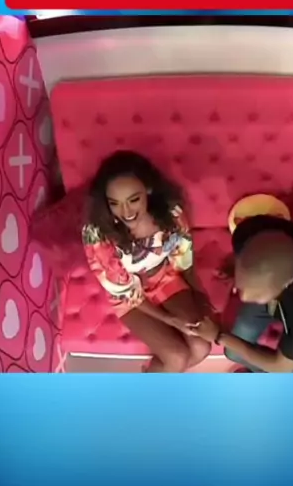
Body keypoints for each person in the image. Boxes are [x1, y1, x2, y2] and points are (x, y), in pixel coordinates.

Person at [82, 151, 210, 372]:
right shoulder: (97, 233)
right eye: (115, 203)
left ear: (148, 190)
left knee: (201, 347)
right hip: (128, 296)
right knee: (177, 357)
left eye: (134, 200)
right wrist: (170, 320)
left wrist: (200, 298)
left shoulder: (170, 213)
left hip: (165, 277)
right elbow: (126, 293)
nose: (126, 212)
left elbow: (183, 257)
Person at [188, 214, 293, 372]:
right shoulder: (249, 232)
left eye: (257, 296)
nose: (243, 298)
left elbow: (280, 367)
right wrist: (236, 270)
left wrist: (218, 336)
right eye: (240, 288)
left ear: (287, 283)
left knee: (236, 354)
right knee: (233, 350)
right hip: (279, 287)